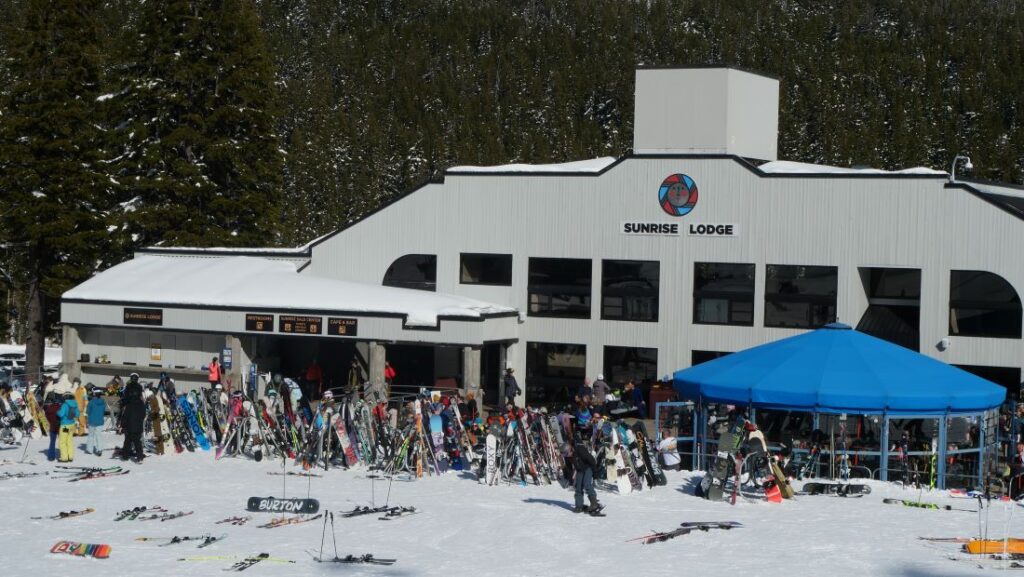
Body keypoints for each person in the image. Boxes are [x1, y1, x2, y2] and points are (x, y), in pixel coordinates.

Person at [572, 428, 602, 514]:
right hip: (580, 469)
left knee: (587, 484)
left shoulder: (580, 449)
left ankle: (594, 503)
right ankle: (579, 506)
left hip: (588, 468)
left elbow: (592, 460)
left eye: (567, 452)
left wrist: (595, 474)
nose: (567, 455)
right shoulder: (572, 452)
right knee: (578, 487)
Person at [118, 389, 146, 463]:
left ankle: (125, 456)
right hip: (138, 426)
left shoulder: (129, 404)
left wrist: (122, 425)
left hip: (129, 426)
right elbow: (143, 414)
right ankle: (140, 457)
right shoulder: (142, 404)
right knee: (138, 443)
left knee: (127, 442)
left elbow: (125, 416)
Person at [56, 393, 80, 462]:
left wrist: (57, 412)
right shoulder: (75, 404)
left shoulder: (65, 405)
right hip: (72, 425)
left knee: (62, 441)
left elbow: (61, 414)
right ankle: (70, 456)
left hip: (65, 426)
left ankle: (64, 457)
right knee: (69, 440)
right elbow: (77, 414)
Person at [85, 388, 108, 456]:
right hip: (100, 421)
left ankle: (90, 449)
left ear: (94, 394)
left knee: (91, 436)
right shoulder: (103, 402)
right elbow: (103, 411)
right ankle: (99, 449)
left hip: (92, 421)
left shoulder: (91, 402)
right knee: (99, 436)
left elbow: (88, 412)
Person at [43, 391, 61, 461]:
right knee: (62, 441)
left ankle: (51, 456)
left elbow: (46, 416)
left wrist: (50, 421)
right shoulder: (60, 407)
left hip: (52, 426)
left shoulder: (49, 408)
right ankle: (63, 455)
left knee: (52, 442)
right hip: (60, 426)